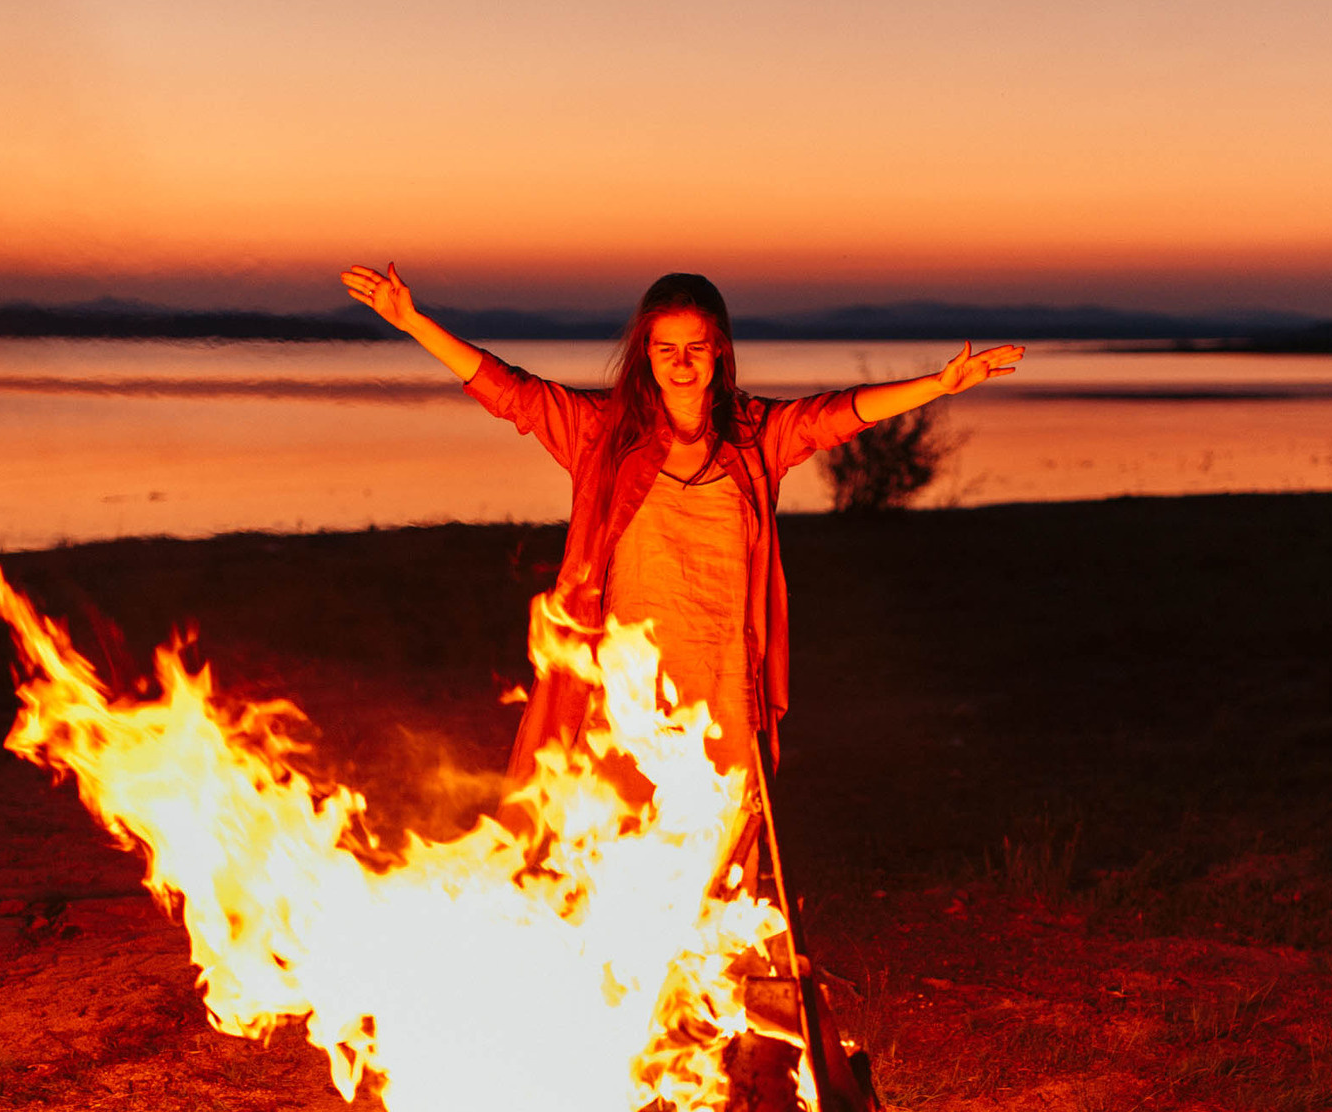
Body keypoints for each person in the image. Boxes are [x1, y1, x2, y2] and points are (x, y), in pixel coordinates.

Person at [339, 264, 1023, 778]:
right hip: (624, 682)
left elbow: (837, 414)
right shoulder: (601, 434)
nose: (681, 363)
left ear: (719, 349)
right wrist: (413, 323)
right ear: (646, 354)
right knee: (609, 830)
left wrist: (939, 383)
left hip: (724, 679)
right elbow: (510, 389)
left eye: (695, 347)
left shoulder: (757, 437)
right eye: (665, 349)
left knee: (721, 831)